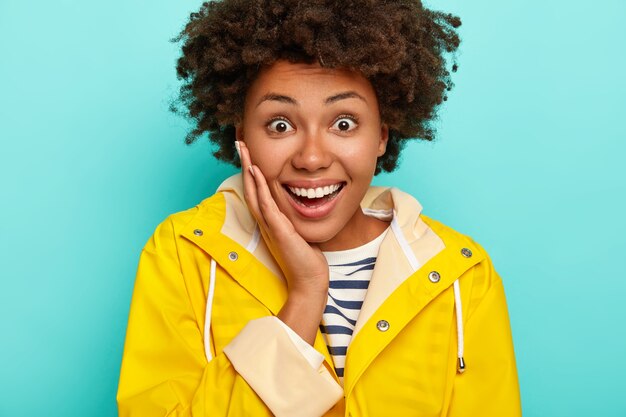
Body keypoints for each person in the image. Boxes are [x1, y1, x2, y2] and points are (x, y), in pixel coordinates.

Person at [117, 1, 521, 416]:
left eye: (343, 123)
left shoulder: (461, 275)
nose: (311, 158)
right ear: (242, 138)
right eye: (280, 125)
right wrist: (306, 293)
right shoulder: (185, 255)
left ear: (381, 136)